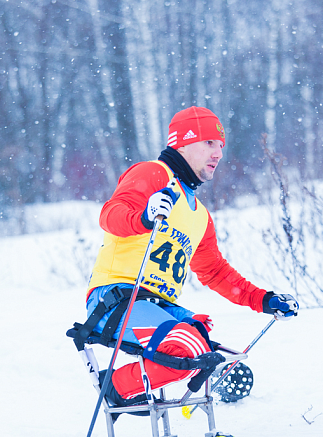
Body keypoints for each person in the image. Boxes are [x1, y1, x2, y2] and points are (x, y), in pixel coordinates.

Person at [85, 106, 298, 407]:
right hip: (118, 300)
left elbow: (216, 272)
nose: (218, 154)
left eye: (221, 146)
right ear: (182, 143)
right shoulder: (153, 174)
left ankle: (215, 370)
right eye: (209, 143)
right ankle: (116, 387)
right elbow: (111, 215)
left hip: (160, 307)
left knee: (210, 345)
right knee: (187, 346)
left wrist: (263, 299)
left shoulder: (199, 216)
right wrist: (144, 217)